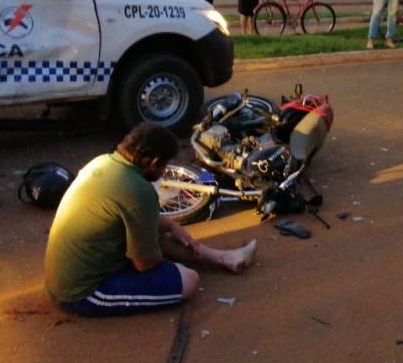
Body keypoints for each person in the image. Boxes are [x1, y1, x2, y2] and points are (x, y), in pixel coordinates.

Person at [44, 123, 257, 317]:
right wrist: (162, 255)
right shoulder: (138, 190)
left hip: (67, 277)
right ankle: (209, 262)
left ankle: (224, 258)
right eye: (164, 165)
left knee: (156, 234)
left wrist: (171, 225)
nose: (164, 171)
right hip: (84, 294)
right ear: (154, 162)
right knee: (188, 280)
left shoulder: (102, 163)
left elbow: (131, 216)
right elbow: (144, 264)